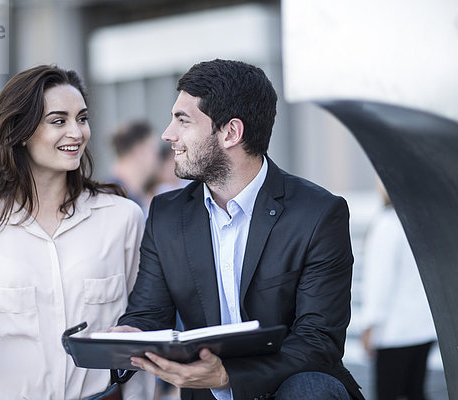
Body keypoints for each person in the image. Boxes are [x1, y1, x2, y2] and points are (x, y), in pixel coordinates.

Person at [113, 59, 365, 400]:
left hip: (294, 389)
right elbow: (149, 314)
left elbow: (318, 340)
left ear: (231, 132)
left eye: (182, 120)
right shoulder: (166, 214)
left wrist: (227, 375)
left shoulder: (318, 214)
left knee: (310, 388)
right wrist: (127, 335)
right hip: (203, 396)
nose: (167, 135)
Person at [0, 65, 154, 400]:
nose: (77, 132)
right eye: (58, 121)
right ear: (22, 131)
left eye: (82, 118)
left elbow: (142, 335)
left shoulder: (123, 219)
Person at [361, 183, 437, 400]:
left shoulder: (387, 224)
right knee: (416, 392)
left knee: (387, 393)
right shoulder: (421, 222)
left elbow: (380, 281)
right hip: (422, 327)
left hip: (394, 331)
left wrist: (370, 325)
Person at [109, 120, 161, 214]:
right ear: (140, 151)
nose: (157, 159)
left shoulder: (132, 197)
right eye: (154, 151)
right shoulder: (116, 200)